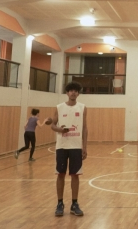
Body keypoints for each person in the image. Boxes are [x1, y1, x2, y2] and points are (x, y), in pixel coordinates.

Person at [50, 81, 88, 218]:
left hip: (76, 146)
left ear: (78, 93)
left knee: (75, 175)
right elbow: (53, 125)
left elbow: (84, 128)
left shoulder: (82, 107)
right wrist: (60, 129)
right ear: (67, 93)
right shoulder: (59, 107)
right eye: (70, 90)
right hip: (62, 146)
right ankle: (60, 203)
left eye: (75, 91)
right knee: (60, 174)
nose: (73, 92)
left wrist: (84, 146)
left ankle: (74, 204)